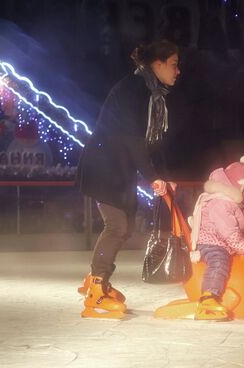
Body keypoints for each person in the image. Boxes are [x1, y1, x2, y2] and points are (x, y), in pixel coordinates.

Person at [75, 39, 180, 319]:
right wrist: (153, 177)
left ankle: (97, 281)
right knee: (117, 225)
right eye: (173, 64)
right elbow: (132, 139)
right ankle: (96, 288)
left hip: (120, 169)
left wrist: (164, 176)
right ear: (157, 64)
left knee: (125, 225)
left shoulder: (153, 95)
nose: (177, 70)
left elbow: (153, 143)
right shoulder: (133, 90)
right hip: (104, 165)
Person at [188, 156, 244, 320]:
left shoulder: (234, 205)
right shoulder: (221, 203)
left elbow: (241, 228)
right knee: (219, 261)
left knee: (229, 261)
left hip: (222, 243)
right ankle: (208, 298)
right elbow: (227, 230)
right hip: (209, 242)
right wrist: (241, 245)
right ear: (238, 186)